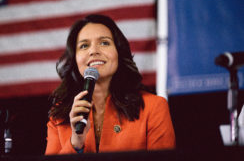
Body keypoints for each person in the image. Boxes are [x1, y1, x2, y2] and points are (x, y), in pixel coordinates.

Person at [45, 14, 175, 155]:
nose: (94, 51)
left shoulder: (154, 108)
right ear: (75, 60)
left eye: (104, 43)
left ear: (118, 53)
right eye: (84, 46)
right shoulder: (59, 117)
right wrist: (75, 143)